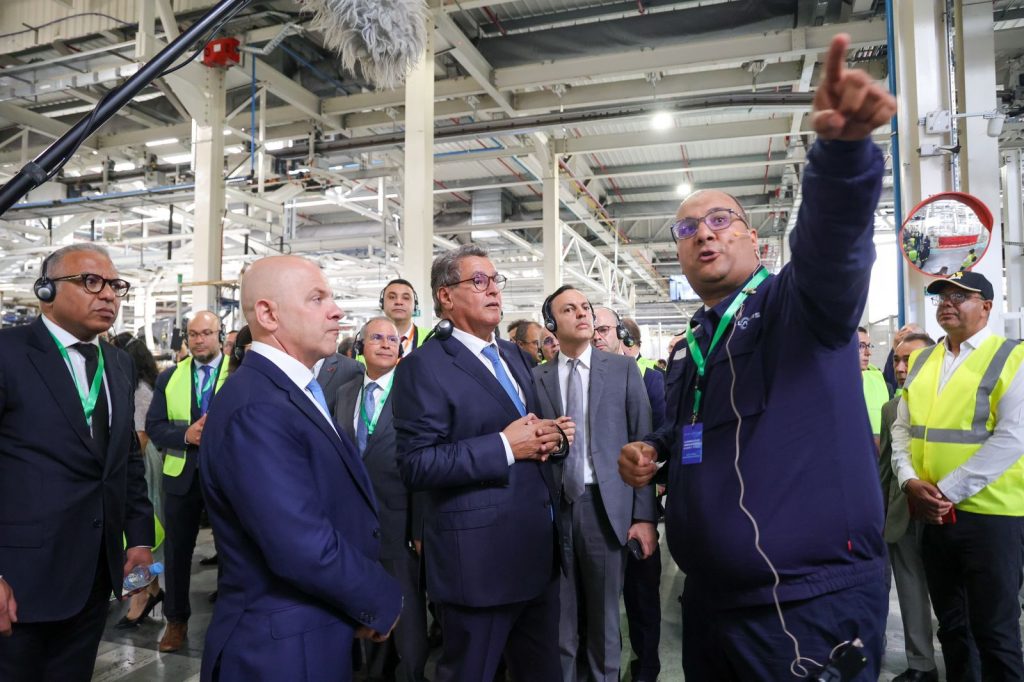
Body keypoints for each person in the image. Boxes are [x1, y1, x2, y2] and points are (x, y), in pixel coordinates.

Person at [618, 34, 896, 679]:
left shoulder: (795, 308)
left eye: (721, 220)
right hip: (714, 598)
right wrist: (655, 450)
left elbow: (833, 247)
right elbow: (698, 433)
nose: (704, 234)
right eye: (687, 229)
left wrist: (841, 157)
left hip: (804, 601)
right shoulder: (693, 342)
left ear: (754, 241)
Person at [199, 255, 402, 681]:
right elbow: (299, 541)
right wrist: (379, 597)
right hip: (280, 651)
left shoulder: (295, 389)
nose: (337, 310)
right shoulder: (257, 407)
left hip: (313, 629)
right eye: (317, 298)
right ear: (268, 314)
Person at [391, 244, 573, 682]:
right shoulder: (423, 366)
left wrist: (553, 440)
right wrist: (505, 446)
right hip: (477, 567)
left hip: (537, 555)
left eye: (495, 280)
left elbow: (532, 429)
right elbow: (417, 464)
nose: (493, 289)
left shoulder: (515, 355)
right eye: (478, 281)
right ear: (445, 296)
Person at [0, 244, 154, 681]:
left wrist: (139, 538)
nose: (107, 294)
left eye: (115, 285)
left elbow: (126, 459)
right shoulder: (8, 353)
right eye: (90, 282)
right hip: (18, 583)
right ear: (46, 290)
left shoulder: (118, 363)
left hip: (93, 579)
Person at [892, 271, 1024, 681]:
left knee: (995, 631)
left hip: (991, 517)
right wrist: (908, 480)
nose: (947, 303)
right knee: (952, 627)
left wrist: (944, 491)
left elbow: (1013, 436)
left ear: (986, 306)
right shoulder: (922, 360)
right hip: (932, 516)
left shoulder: (1012, 357)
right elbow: (902, 428)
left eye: (959, 296)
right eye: (941, 297)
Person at [534, 285, 655, 681]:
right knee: (560, 621)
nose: (582, 314)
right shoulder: (537, 378)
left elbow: (643, 445)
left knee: (605, 621)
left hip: (605, 507)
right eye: (569, 309)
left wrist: (644, 517)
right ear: (552, 324)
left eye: (585, 307)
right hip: (554, 510)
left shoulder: (621, 371)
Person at [336, 317, 428, 682]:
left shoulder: (414, 393)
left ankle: (412, 674)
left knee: (408, 617)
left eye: (393, 339)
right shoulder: (345, 393)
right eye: (377, 337)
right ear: (360, 346)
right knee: (367, 609)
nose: (387, 343)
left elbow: (424, 464)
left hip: (400, 525)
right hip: (355, 527)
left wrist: (419, 527)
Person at [146, 310, 230, 653]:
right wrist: (185, 436)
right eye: (193, 334)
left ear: (220, 335)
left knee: (231, 551)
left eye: (206, 333)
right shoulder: (171, 377)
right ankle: (176, 621)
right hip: (181, 477)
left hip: (226, 478)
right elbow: (154, 426)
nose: (199, 340)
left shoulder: (238, 374)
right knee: (177, 552)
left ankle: (228, 623)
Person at [596, 309, 667, 682]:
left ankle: (647, 665)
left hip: (637, 497)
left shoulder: (649, 377)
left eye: (604, 329)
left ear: (621, 334)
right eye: (592, 329)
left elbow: (663, 432)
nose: (597, 336)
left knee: (642, 595)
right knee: (602, 599)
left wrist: (655, 484)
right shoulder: (580, 377)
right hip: (596, 508)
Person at [880, 332, 939, 682]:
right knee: (911, 591)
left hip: (948, 513)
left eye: (910, 360)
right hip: (903, 514)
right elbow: (885, 467)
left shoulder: (956, 402)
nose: (901, 368)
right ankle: (921, 664)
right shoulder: (891, 409)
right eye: (897, 360)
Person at [110, 332, 166, 629]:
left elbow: (140, 438)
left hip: (140, 465)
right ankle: (152, 590)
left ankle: (139, 596)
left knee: (142, 533)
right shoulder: (138, 385)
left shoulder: (139, 390)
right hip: (140, 461)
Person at [380, 278, 431, 356]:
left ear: (415, 305)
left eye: (406, 298)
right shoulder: (367, 340)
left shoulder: (431, 338)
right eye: (392, 297)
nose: (398, 302)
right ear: (382, 303)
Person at [859, 326, 890, 450]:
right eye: (861, 346)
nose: (868, 353)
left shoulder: (878, 380)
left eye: (868, 346)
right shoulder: (831, 385)